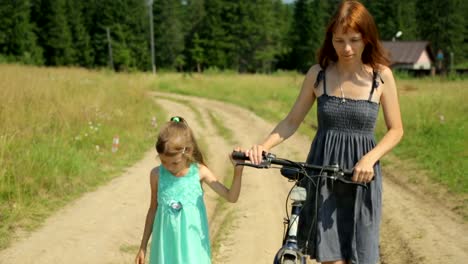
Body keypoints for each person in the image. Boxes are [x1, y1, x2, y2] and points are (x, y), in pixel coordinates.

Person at [244, 1, 403, 264]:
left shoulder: (381, 76)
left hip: (361, 177)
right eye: (339, 40)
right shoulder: (318, 75)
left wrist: (369, 159)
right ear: (331, 39)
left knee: (361, 255)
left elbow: (396, 130)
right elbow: (291, 121)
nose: (347, 48)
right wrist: (264, 146)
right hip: (323, 176)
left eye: (354, 39)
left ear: (367, 38)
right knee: (330, 258)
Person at [135, 116, 244, 264]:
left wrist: (238, 170)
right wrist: (143, 247)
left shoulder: (200, 172)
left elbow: (231, 197)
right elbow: (153, 210)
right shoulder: (156, 175)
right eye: (163, 161)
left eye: (174, 163)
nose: (168, 167)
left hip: (192, 250)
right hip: (165, 250)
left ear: (188, 152)